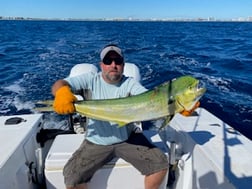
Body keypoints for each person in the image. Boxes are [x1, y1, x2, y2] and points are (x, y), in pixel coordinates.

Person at [51, 44, 169, 189]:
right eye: (108, 61)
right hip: (96, 141)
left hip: (127, 139)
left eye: (117, 61)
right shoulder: (90, 79)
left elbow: (150, 100)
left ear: (123, 65)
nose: (113, 65)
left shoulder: (129, 83)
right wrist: (62, 92)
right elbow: (60, 83)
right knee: (73, 177)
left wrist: (176, 105)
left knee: (161, 164)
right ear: (102, 65)